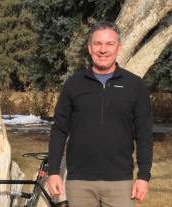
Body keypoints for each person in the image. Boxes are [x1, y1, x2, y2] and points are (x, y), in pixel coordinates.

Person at [47, 21, 153, 207]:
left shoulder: (135, 85)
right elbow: (59, 130)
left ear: (118, 48)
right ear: (89, 48)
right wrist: (53, 171)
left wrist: (143, 176)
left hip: (121, 182)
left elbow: (144, 134)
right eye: (98, 44)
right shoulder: (74, 84)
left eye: (109, 44)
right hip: (80, 182)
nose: (103, 50)